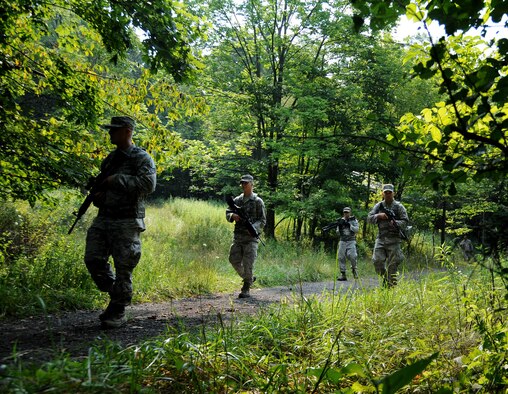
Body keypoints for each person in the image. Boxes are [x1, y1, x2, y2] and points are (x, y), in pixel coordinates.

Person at [84, 116, 156, 328]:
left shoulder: (141, 158)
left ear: (127, 131)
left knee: (124, 267)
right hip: (105, 217)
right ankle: (117, 292)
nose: (109, 133)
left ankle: (117, 309)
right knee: (93, 259)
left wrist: (116, 180)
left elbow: (148, 185)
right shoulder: (110, 160)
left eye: (114, 130)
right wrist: (98, 195)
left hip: (127, 220)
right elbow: (102, 188)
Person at [226, 174, 266, 298]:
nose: (244, 185)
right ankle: (248, 278)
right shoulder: (237, 200)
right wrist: (233, 216)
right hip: (238, 237)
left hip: (251, 239)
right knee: (233, 260)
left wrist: (254, 228)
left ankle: (246, 288)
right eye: (242, 183)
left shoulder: (258, 201)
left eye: (246, 183)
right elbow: (228, 212)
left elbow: (262, 220)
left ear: (252, 184)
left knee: (248, 263)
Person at [367, 184, 409, 287]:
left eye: (390, 192)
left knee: (392, 266)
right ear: (383, 193)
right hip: (381, 238)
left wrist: (396, 223)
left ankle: (391, 289)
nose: (388, 194)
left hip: (394, 239)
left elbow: (405, 221)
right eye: (386, 192)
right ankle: (386, 280)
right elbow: (369, 218)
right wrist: (378, 215)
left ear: (393, 193)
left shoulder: (398, 206)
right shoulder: (379, 206)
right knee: (377, 261)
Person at [336, 207, 360, 281]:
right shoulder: (341, 220)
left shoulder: (353, 220)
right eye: (345, 212)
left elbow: (357, 230)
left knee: (353, 256)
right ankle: (343, 274)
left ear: (350, 213)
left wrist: (350, 226)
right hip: (342, 241)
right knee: (341, 257)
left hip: (351, 241)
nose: (346, 214)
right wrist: (339, 227)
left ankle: (354, 270)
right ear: (343, 213)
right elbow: (337, 233)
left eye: (347, 212)